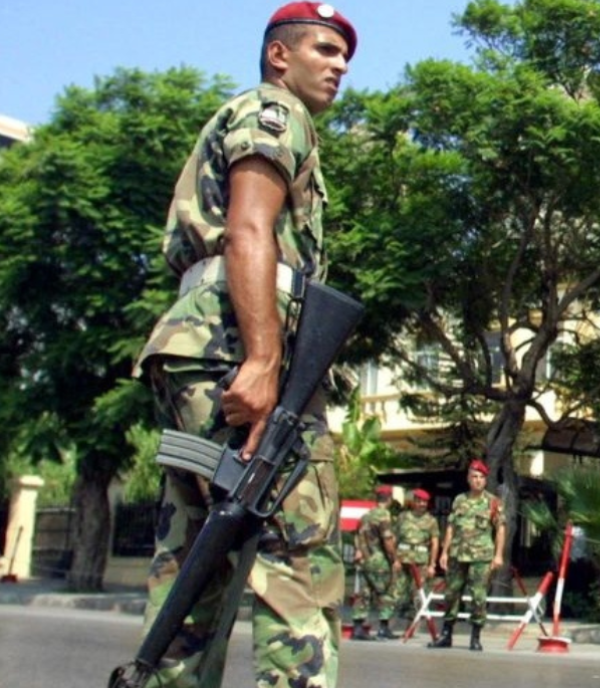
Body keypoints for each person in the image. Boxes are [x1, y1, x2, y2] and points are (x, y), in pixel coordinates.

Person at [132, 3, 356, 686]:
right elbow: (248, 230)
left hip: (199, 343)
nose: (339, 64)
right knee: (298, 557)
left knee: (198, 556)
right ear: (279, 56)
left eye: (346, 54)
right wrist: (263, 360)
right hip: (237, 344)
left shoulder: (255, 117)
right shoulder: (275, 113)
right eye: (324, 48)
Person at [429, 459, 506, 650]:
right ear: (468, 479)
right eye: (474, 477)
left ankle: (475, 636)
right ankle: (446, 634)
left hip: (481, 557)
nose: (478, 480)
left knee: (478, 596)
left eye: (481, 477)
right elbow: (451, 528)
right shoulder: (459, 500)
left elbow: (501, 529)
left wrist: (498, 555)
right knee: (451, 593)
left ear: (485, 480)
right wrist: (444, 552)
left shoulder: (493, 502)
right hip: (458, 555)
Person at [351, 484, 400, 640]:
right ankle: (384, 627)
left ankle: (357, 627)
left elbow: (356, 537)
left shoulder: (366, 516)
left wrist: (359, 552)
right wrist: (394, 559)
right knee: (387, 592)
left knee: (363, 594)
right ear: (389, 499)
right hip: (380, 560)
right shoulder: (383, 516)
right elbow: (387, 540)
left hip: (365, 559)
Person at [392, 489, 440, 625]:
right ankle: (392, 622)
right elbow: (395, 538)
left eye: (424, 502)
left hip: (420, 560)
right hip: (403, 559)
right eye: (419, 501)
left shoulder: (431, 521)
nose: (422, 504)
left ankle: (412, 622)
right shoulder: (403, 517)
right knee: (398, 591)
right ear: (414, 502)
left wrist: (432, 565)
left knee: (418, 592)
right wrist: (395, 559)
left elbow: (435, 543)